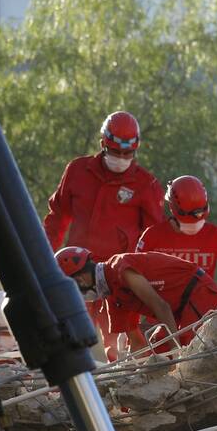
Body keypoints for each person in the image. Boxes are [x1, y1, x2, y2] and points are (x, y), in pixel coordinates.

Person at [43, 111, 165, 355]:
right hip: (75, 274)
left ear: (135, 150)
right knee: (70, 337)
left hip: (117, 278)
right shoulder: (77, 171)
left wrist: (147, 284)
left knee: (116, 345)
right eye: (115, 152)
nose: (121, 158)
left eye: (127, 153)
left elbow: (153, 239)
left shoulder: (145, 185)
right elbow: (57, 219)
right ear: (103, 144)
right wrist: (43, 262)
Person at [55, 246, 217, 354]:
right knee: (156, 353)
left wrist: (176, 352)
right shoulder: (112, 298)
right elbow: (136, 342)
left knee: (191, 353)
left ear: (80, 279)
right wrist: (132, 372)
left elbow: (161, 307)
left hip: (200, 295)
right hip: (178, 313)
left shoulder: (120, 267)